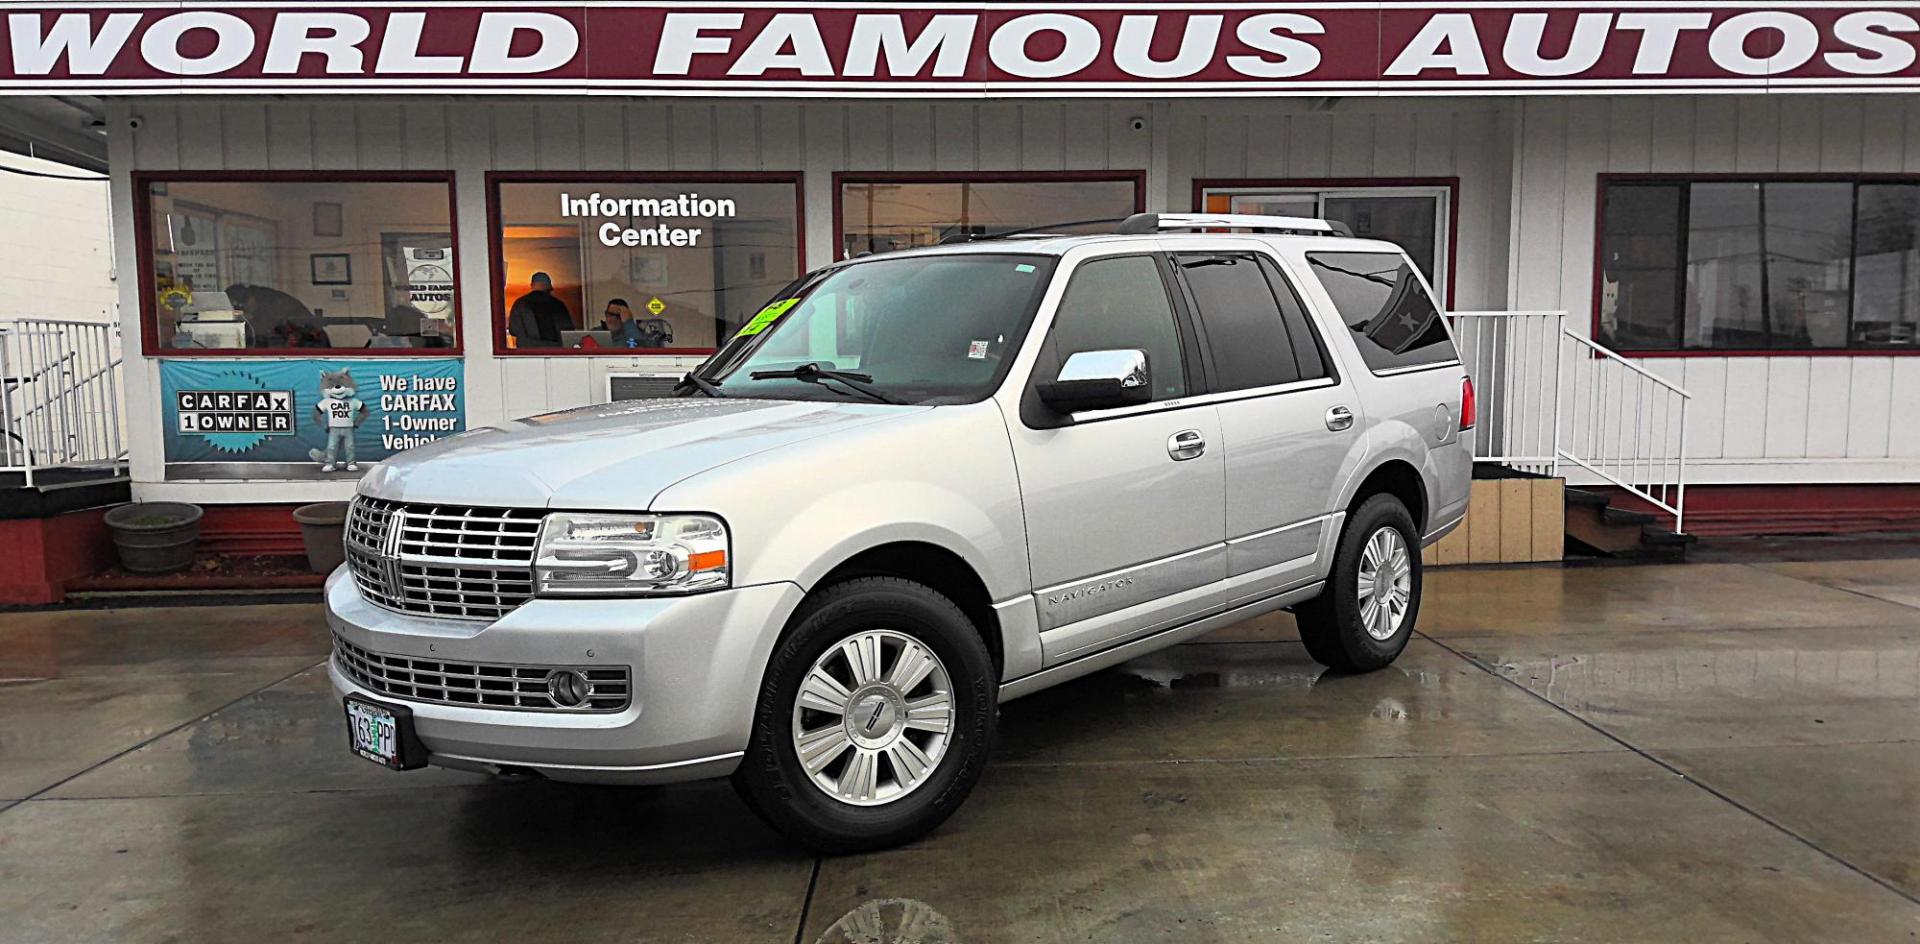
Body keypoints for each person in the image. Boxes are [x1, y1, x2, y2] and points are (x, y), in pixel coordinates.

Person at [507, 272, 572, 347]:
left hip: (527, 353)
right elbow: (567, 331)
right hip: (554, 352)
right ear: (548, 287)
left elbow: (513, 330)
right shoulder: (558, 305)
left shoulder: (520, 304)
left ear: (532, 285)